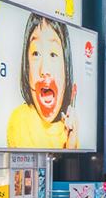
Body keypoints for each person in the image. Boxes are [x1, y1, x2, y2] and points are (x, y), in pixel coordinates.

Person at [5, 15, 78, 148]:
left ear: (66, 67)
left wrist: (71, 146)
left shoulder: (69, 128)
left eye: (53, 54)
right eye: (36, 54)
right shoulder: (21, 120)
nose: (44, 69)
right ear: (26, 66)